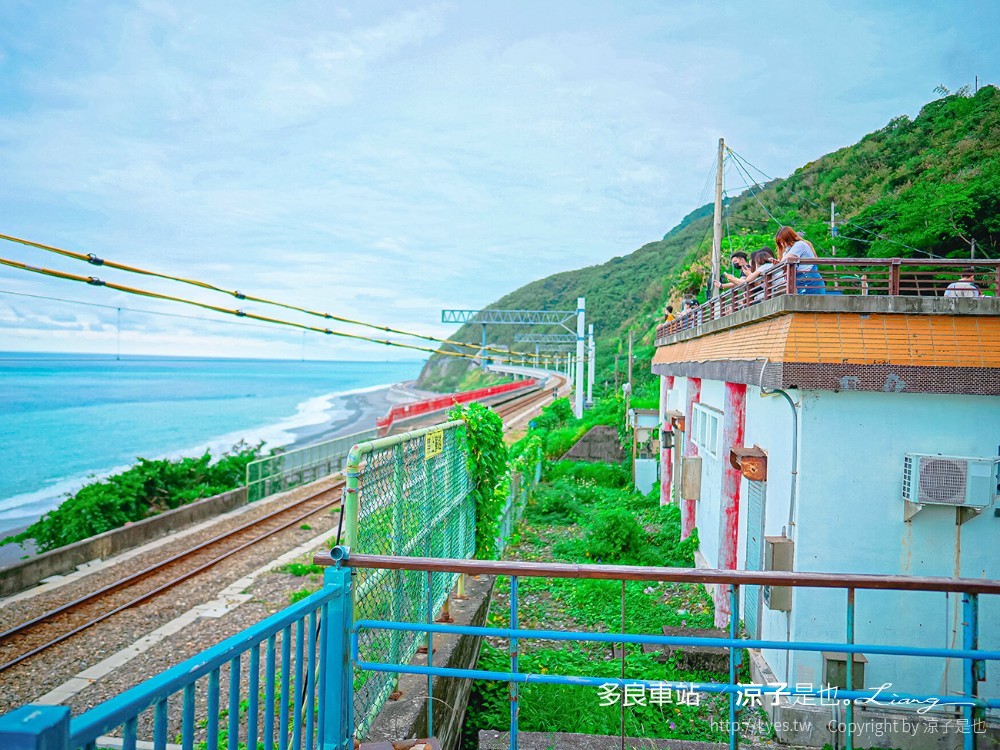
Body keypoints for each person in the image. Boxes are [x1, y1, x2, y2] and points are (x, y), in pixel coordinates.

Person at [774, 226, 825, 294]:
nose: (782, 244)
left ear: (788, 238)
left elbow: (785, 260)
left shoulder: (799, 245)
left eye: (782, 241)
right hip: (802, 282)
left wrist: (779, 263)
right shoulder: (788, 250)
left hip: (810, 280)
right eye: (780, 242)